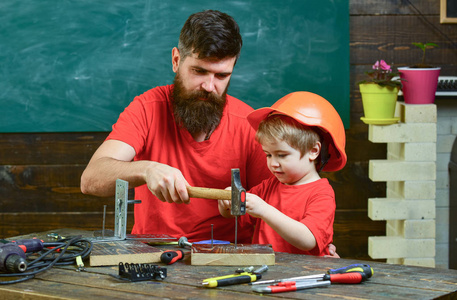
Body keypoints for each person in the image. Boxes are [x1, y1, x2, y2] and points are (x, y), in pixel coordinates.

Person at [80, 10, 271, 243]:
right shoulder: (147, 108)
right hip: (151, 255)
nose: (209, 86)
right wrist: (146, 170)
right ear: (176, 60)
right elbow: (91, 179)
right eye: (199, 71)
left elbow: (280, 204)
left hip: (226, 259)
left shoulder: (249, 124)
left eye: (221, 76)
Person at [218, 91, 347, 256]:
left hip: (303, 276)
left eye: (282, 155)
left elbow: (308, 240)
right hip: (266, 272)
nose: (273, 163)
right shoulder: (270, 185)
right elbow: (238, 213)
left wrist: (264, 210)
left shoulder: (321, 193)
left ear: (313, 151)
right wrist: (227, 204)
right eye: (268, 155)